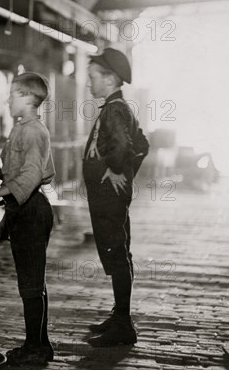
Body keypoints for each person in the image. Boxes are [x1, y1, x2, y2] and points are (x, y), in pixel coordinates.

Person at [0, 72, 55, 366]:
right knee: (32, 282)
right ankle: (38, 344)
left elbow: (31, 174)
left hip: (32, 210)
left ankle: (36, 348)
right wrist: (6, 218)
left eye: (12, 95)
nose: (7, 100)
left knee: (31, 283)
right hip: (25, 209)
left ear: (26, 98)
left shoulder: (32, 131)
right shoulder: (24, 128)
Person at [82, 47, 148, 347]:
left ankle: (123, 325)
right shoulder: (116, 107)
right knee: (119, 253)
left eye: (93, 77)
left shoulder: (114, 109)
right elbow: (143, 144)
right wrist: (124, 173)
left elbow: (123, 150)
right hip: (111, 197)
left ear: (110, 79)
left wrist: (116, 170)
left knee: (117, 256)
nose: (89, 83)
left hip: (109, 198)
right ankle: (119, 315)